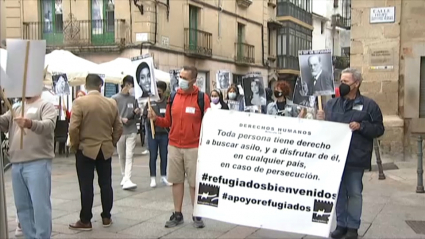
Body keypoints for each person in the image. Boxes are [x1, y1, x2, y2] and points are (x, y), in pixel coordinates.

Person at [316, 68, 385, 239]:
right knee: (338, 192)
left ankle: (353, 227)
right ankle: (341, 224)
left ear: (356, 84)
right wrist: (321, 119)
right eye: (341, 80)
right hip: (335, 158)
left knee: (354, 192)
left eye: (345, 82)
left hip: (355, 156)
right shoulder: (331, 105)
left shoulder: (369, 106)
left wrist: (361, 127)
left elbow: (379, 128)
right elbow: (325, 130)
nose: (341, 84)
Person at [148, 66, 210, 229]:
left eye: (184, 77)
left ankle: (197, 214)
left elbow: (209, 124)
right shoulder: (173, 97)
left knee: (194, 182)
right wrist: (155, 119)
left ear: (193, 80)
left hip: (194, 147)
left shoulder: (202, 99)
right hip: (174, 145)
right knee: (176, 181)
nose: (181, 79)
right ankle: (177, 213)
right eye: (180, 76)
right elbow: (167, 121)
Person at [68, 74, 123, 231]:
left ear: (86, 86)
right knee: (106, 184)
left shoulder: (79, 102)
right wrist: (111, 142)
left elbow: (73, 128)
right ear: (101, 85)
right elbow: (119, 127)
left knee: (86, 185)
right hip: (105, 149)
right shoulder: (111, 103)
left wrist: (75, 144)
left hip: (86, 148)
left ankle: (85, 219)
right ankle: (106, 216)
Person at [0, 93, 57, 239]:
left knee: (40, 206)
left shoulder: (45, 105)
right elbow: (4, 122)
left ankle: (43, 236)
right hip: (16, 163)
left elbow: (49, 125)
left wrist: (30, 123)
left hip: (37, 162)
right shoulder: (16, 106)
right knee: (22, 207)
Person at [112, 75, 141, 190]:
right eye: (131, 86)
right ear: (126, 85)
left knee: (130, 154)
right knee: (122, 155)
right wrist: (120, 119)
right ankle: (124, 175)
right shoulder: (115, 98)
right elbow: (111, 113)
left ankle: (128, 177)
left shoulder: (134, 99)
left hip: (132, 130)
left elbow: (138, 115)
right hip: (120, 130)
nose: (132, 88)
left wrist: (137, 112)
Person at [143, 81, 172, 188]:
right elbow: (144, 117)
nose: (158, 92)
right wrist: (148, 118)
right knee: (153, 155)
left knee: (164, 155)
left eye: (159, 91)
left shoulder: (167, 103)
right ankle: (153, 177)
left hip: (164, 134)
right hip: (153, 134)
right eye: (157, 90)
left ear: (163, 91)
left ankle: (164, 176)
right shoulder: (150, 102)